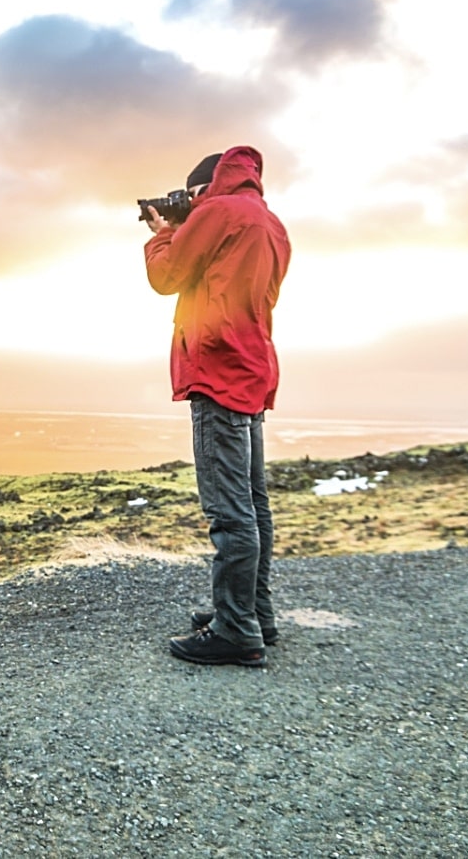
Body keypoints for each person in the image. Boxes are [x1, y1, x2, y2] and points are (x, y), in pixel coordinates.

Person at [143, 146, 290, 667]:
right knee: (253, 503)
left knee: (229, 512)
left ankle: (235, 630)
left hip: (217, 370)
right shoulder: (269, 223)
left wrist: (164, 231)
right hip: (252, 368)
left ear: (205, 188)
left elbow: (167, 277)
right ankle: (255, 614)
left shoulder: (216, 213)